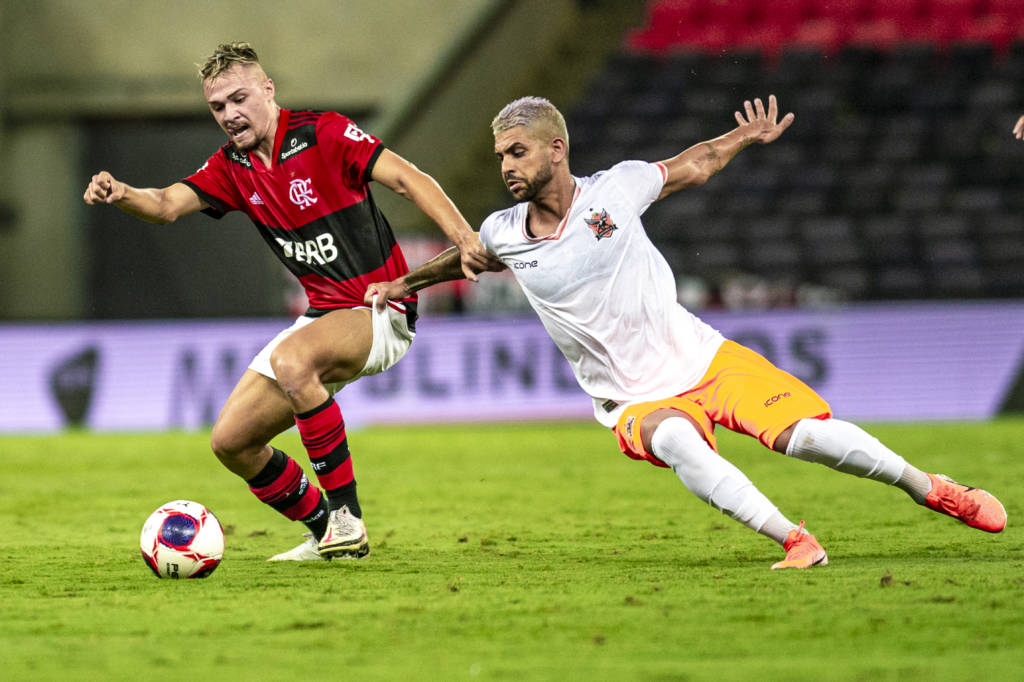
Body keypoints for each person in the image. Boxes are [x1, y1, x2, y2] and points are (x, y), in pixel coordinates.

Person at [365, 95, 1007, 569]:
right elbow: (467, 258)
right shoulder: (503, 231)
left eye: (518, 151)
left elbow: (693, 165)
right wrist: (402, 284)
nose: (506, 165)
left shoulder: (616, 190)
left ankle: (933, 489)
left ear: (556, 149)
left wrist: (741, 138)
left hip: (704, 357)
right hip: (631, 397)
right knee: (675, 439)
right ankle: (795, 540)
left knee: (804, 436)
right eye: (501, 156)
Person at [83, 42, 496, 562]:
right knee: (232, 441)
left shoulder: (324, 134)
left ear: (268, 89)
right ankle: (327, 533)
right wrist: (122, 193)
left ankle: (346, 516)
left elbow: (408, 178)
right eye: (217, 107)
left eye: (239, 99)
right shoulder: (231, 166)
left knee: (292, 359)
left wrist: (464, 238)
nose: (230, 115)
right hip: (323, 315)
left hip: (380, 307)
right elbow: (165, 204)